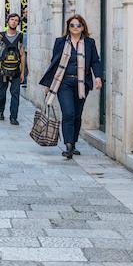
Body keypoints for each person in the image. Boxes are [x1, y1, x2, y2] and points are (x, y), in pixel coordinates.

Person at [40, 14, 103, 159]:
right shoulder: (60, 42)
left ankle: (73, 142)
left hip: (82, 83)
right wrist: (49, 84)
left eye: (78, 25)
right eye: (72, 25)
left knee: (77, 115)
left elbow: (95, 61)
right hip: (64, 83)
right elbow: (54, 63)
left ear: (83, 27)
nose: (75, 28)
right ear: (68, 27)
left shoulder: (89, 43)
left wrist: (98, 77)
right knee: (68, 113)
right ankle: (68, 146)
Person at [0, 14, 26, 125]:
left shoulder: (21, 36)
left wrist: (23, 72)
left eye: (16, 20)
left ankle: (13, 117)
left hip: (16, 70)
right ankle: (0, 112)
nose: (14, 22)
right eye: (12, 20)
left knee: (15, 94)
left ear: (18, 23)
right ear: (7, 21)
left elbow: (23, 55)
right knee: (1, 93)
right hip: (1, 69)